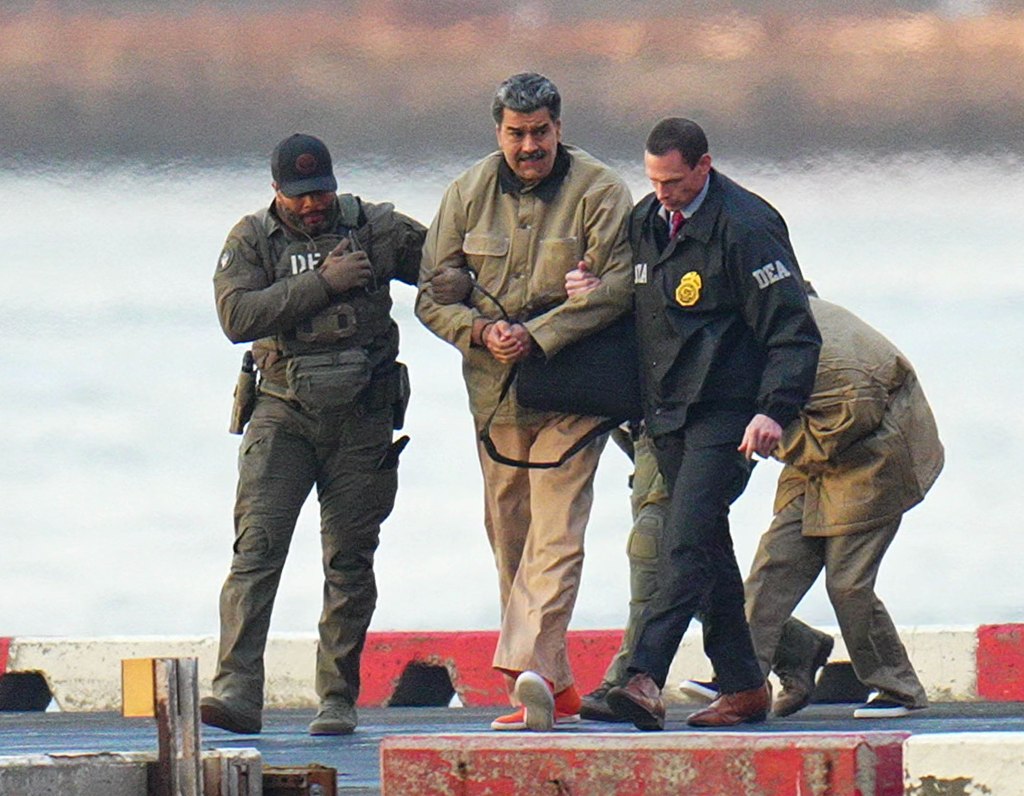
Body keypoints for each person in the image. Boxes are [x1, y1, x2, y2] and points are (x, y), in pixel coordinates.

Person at [414, 72, 634, 731]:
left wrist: (539, 335)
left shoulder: (601, 190)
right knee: (511, 536)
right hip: (496, 397)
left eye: (540, 132)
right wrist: (481, 331)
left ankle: (526, 675)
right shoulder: (466, 193)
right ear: (499, 132)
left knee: (558, 533)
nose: (529, 146)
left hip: (576, 390)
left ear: (560, 129)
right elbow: (430, 295)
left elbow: (619, 286)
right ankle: (555, 682)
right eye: (516, 134)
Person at [202, 133, 425, 736]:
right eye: (298, 196)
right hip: (282, 414)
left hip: (362, 415)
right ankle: (237, 690)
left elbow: (445, 267)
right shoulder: (251, 239)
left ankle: (337, 697)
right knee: (256, 551)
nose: (311, 206)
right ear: (276, 191)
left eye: (320, 192)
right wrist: (323, 284)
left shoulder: (375, 227)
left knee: (350, 559)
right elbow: (236, 317)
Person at [603, 117, 821, 731]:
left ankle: (642, 675)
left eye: (674, 181)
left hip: (730, 414)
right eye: (654, 181)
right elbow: (640, 311)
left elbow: (793, 331)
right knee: (706, 547)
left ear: (703, 166)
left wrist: (774, 411)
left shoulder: (747, 226)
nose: (664, 193)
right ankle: (747, 685)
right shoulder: (647, 221)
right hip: (666, 411)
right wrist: (591, 286)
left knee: (682, 537)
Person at [735, 293, 943, 719]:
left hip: (876, 458)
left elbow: (831, 432)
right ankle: (740, 680)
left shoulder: (840, 369)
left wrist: (765, 432)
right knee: (773, 565)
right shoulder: (764, 320)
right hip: (814, 446)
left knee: (848, 583)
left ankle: (898, 687)